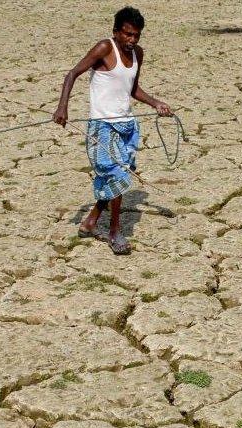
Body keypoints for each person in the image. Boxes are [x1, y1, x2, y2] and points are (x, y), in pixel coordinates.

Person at [53, 6, 172, 255]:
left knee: (120, 177)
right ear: (116, 32)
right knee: (118, 178)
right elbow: (72, 74)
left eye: (136, 35)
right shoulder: (104, 48)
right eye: (127, 34)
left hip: (128, 125)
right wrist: (62, 107)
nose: (132, 40)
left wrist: (156, 103)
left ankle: (91, 221)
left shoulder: (138, 53)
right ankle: (115, 232)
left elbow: (133, 89)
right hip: (102, 127)